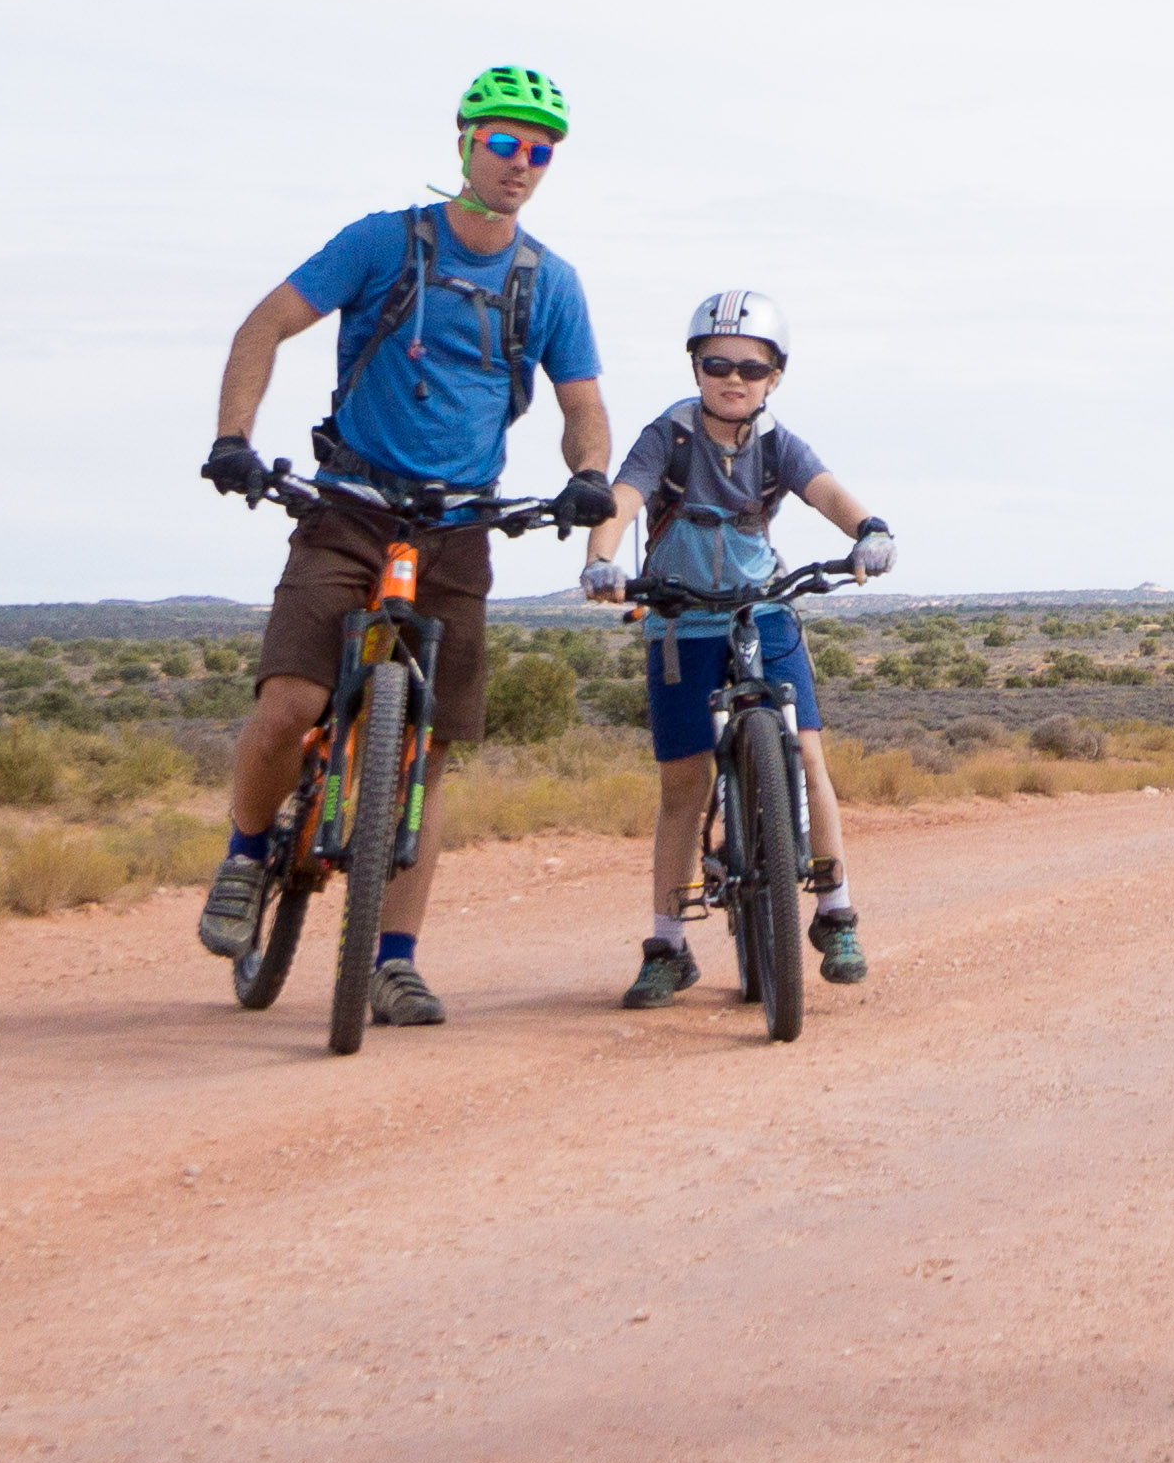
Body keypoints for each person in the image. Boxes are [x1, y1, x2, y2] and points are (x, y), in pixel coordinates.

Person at [196, 68, 614, 1026]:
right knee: (290, 697)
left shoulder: (549, 281)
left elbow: (581, 405)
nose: (521, 164)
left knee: (422, 754)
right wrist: (234, 437)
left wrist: (586, 473)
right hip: (349, 506)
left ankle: (393, 959)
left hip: (458, 527)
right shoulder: (384, 241)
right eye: (505, 142)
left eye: (540, 151)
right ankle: (247, 855)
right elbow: (266, 324)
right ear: (464, 138)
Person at [583, 292, 898, 1006]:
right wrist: (601, 557)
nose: (733, 378)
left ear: (774, 377)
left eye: (751, 368)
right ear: (695, 366)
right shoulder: (668, 434)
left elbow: (826, 493)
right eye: (716, 363)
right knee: (684, 787)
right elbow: (623, 498)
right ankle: (667, 943)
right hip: (679, 620)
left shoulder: (777, 441)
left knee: (808, 754)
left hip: (762, 613)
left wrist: (870, 530)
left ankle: (835, 912)